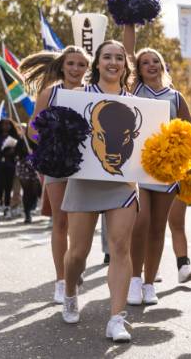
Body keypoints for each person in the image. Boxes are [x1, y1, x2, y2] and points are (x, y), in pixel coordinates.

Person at [59, 40, 138, 343]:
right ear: (97, 63)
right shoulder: (78, 97)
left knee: (120, 247)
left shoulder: (136, 103)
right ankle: (69, 291)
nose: (113, 62)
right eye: (107, 57)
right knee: (77, 253)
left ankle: (116, 318)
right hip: (84, 181)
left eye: (119, 57)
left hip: (123, 185)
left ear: (125, 65)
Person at [122, 24, 191, 308]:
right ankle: (133, 279)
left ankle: (150, 283)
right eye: (145, 62)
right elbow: (126, 53)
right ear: (138, 69)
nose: (151, 65)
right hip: (137, 170)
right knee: (139, 225)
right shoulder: (133, 89)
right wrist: (129, 24)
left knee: (157, 228)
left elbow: (190, 132)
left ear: (162, 66)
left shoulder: (174, 96)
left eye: (156, 61)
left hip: (166, 173)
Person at [21, 46, 91, 304]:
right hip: (57, 165)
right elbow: (32, 131)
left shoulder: (93, 93)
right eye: (71, 63)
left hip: (87, 167)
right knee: (60, 222)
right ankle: (62, 280)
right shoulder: (50, 94)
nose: (75, 69)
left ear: (87, 68)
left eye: (81, 64)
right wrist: (53, 144)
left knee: (81, 224)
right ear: (62, 66)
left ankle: (75, 267)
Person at [0, 119, 21, 217]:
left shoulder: (15, 137)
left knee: (8, 187)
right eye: (4, 124)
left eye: (8, 124)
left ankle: (7, 207)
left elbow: (19, 151)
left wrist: (14, 151)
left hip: (10, 165)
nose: (6, 126)